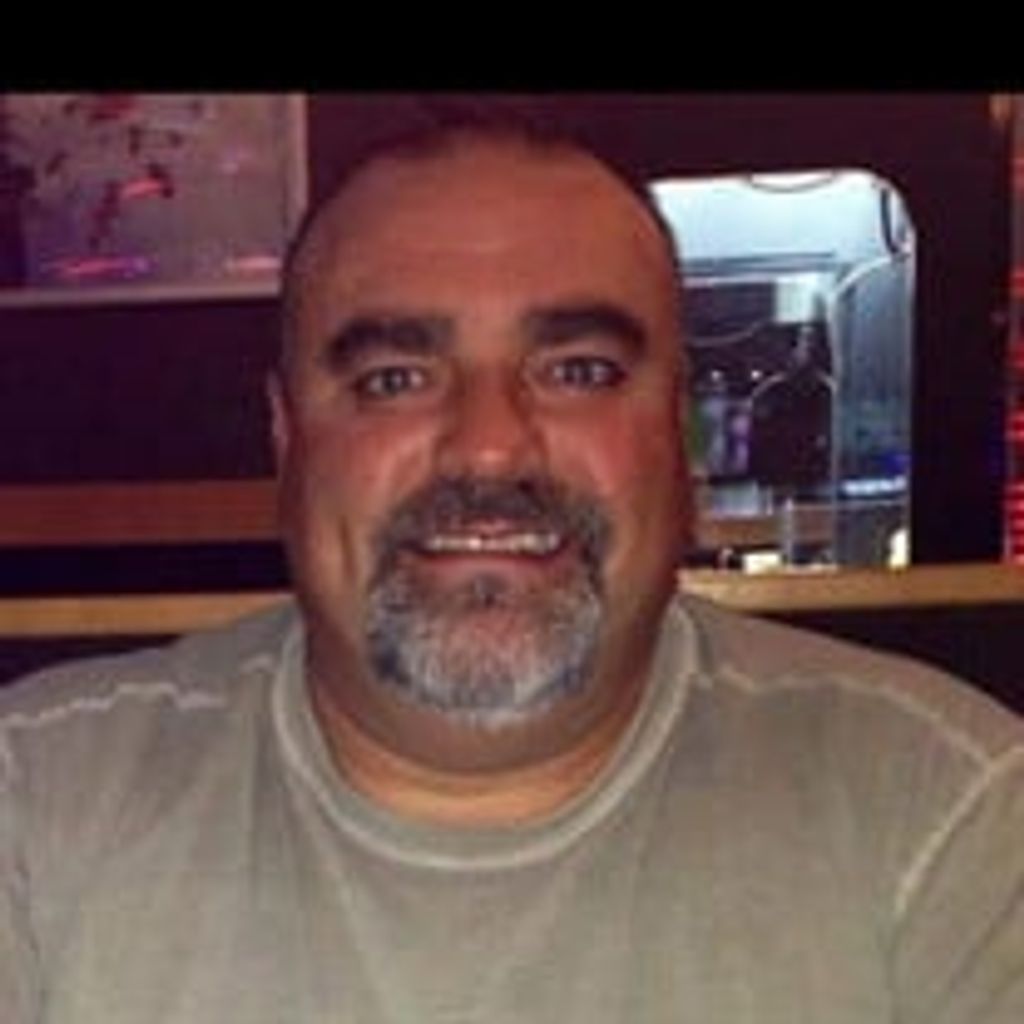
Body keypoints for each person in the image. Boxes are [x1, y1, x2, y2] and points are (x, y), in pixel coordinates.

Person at [1, 112, 1022, 1024]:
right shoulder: (34, 813)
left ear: (681, 437)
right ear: (287, 437)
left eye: (578, 371)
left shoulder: (946, 820)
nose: (489, 448)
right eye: (395, 378)